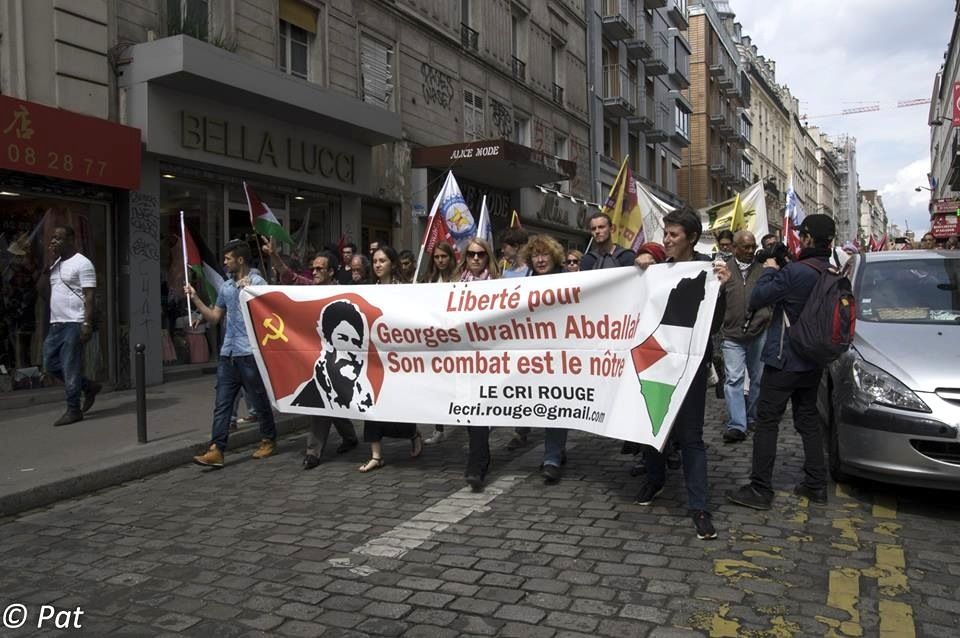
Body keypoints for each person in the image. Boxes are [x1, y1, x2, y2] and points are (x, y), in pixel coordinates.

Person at [726, 214, 838, 510]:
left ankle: (760, 489)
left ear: (810, 238)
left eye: (804, 235)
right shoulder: (831, 270)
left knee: (767, 422)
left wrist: (771, 268)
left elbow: (759, 297)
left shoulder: (796, 273)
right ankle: (816, 485)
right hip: (814, 360)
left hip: (785, 359)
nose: (800, 238)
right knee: (808, 420)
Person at [633, 208, 730, 540]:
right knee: (652, 425)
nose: (667, 240)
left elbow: (713, 325)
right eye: (666, 233)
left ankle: (699, 507)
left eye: (674, 235)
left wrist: (721, 290)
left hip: (690, 364)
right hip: (654, 359)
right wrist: (643, 264)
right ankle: (655, 480)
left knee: (691, 437)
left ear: (690, 238)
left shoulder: (708, 269)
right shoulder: (656, 268)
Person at [188, 239, 278, 468]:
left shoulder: (257, 282)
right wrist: (195, 298)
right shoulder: (226, 287)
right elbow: (215, 317)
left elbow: (269, 315)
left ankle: (268, 439)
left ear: (240, 260)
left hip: (249, 352)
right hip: (228, 354)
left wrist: (251, 293)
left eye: (228, 258)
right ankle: (217, 449)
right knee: (222, 403)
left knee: (258, 399)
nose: (225, 262)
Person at [286, 251, 361, 469]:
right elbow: (288, 277)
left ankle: (313, 452)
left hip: (342, 356)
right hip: (314, 354)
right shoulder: (308, 292)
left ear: (331, 272)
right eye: (313, 268)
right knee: (328, 399)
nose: (315, 272)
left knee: (324, 399)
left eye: (320, 269)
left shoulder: (342, 292)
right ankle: (349, 437)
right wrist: (274, 258)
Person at [359, 246, 422, 471]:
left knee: (399, 402)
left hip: (398, 356)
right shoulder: (368, 291)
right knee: (372, 400)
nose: (377, 265)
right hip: (375, 355)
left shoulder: (405, 290)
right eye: (375, 261)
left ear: (392, 263)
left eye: (382, 260)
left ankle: (412, 433)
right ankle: (376, 454)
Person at [517, 234, 571, 483]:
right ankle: (557, 449)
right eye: (535, 255)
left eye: (544, 254)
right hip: (532, 355)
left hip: (561, 353)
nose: (540, 259)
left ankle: (551, 457)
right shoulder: (523, 283)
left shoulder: (571, 280)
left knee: (556, 404)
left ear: (554, 256)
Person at [40, 225, 101, 426]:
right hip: (56, 323)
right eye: (52, 238)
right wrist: (47, 264)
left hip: (75, 322)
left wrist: (87, 323)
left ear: (71, 239)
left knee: (70, 366)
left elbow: (89, 295)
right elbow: (41, 290)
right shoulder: (55, 264)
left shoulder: (82, 264)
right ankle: (88, 386)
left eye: (58, 238)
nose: (54, 241)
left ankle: (73, 410)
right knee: (49, 364)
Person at [455, 237, 500, 491]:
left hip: (489, 358)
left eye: (480, 254)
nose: (475, 258)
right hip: (462, 358)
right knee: (470, 413)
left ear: (487, 257)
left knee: (479, 410)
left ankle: (477, 466)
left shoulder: (498, 285)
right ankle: (480, 456)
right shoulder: (456, 284)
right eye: (471, 254)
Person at [719, 231, 772, 443]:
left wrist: (766, 315)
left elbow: (772, 295)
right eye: (745, 247)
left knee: (758, 378)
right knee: (734, 379)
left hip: (758, 332)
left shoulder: (763, 270)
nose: (750, 251)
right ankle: (737, 425)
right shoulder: (724, 270)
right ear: (734, 248)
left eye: (752, 247)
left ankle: (753, 417)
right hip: (732, 334)